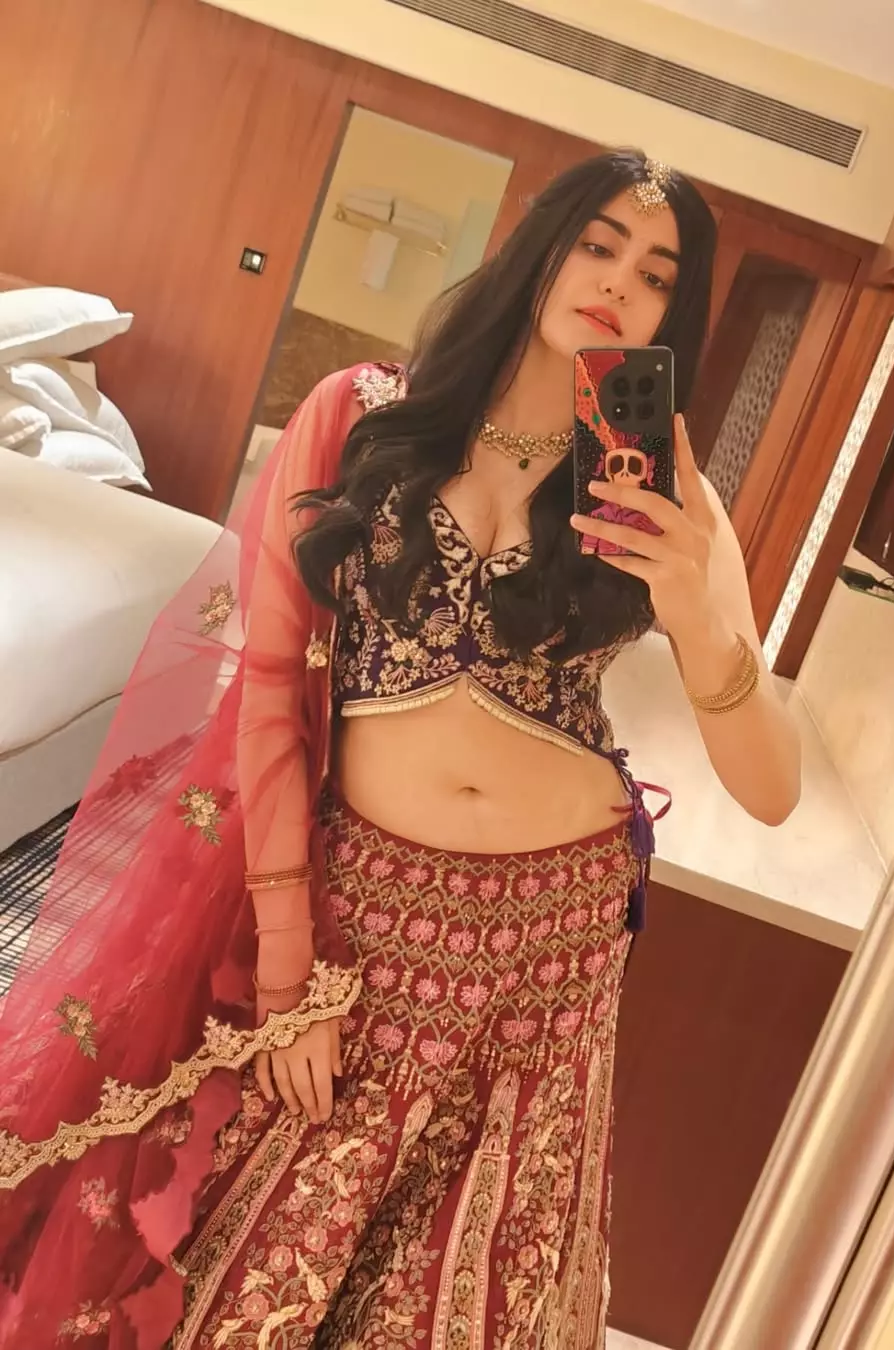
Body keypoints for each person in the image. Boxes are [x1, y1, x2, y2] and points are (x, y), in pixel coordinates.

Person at [0, 151, 801, 1349]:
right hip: (360, 920)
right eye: (597, 245)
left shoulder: (667, 490)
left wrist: (694, 610)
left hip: (550, 949)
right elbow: (271, 685)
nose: (617, 284)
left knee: (456, 1297)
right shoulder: (363, 414)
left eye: (655, 274)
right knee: (246, 1264)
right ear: (538, 247)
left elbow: (772, 787)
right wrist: (288, 974)